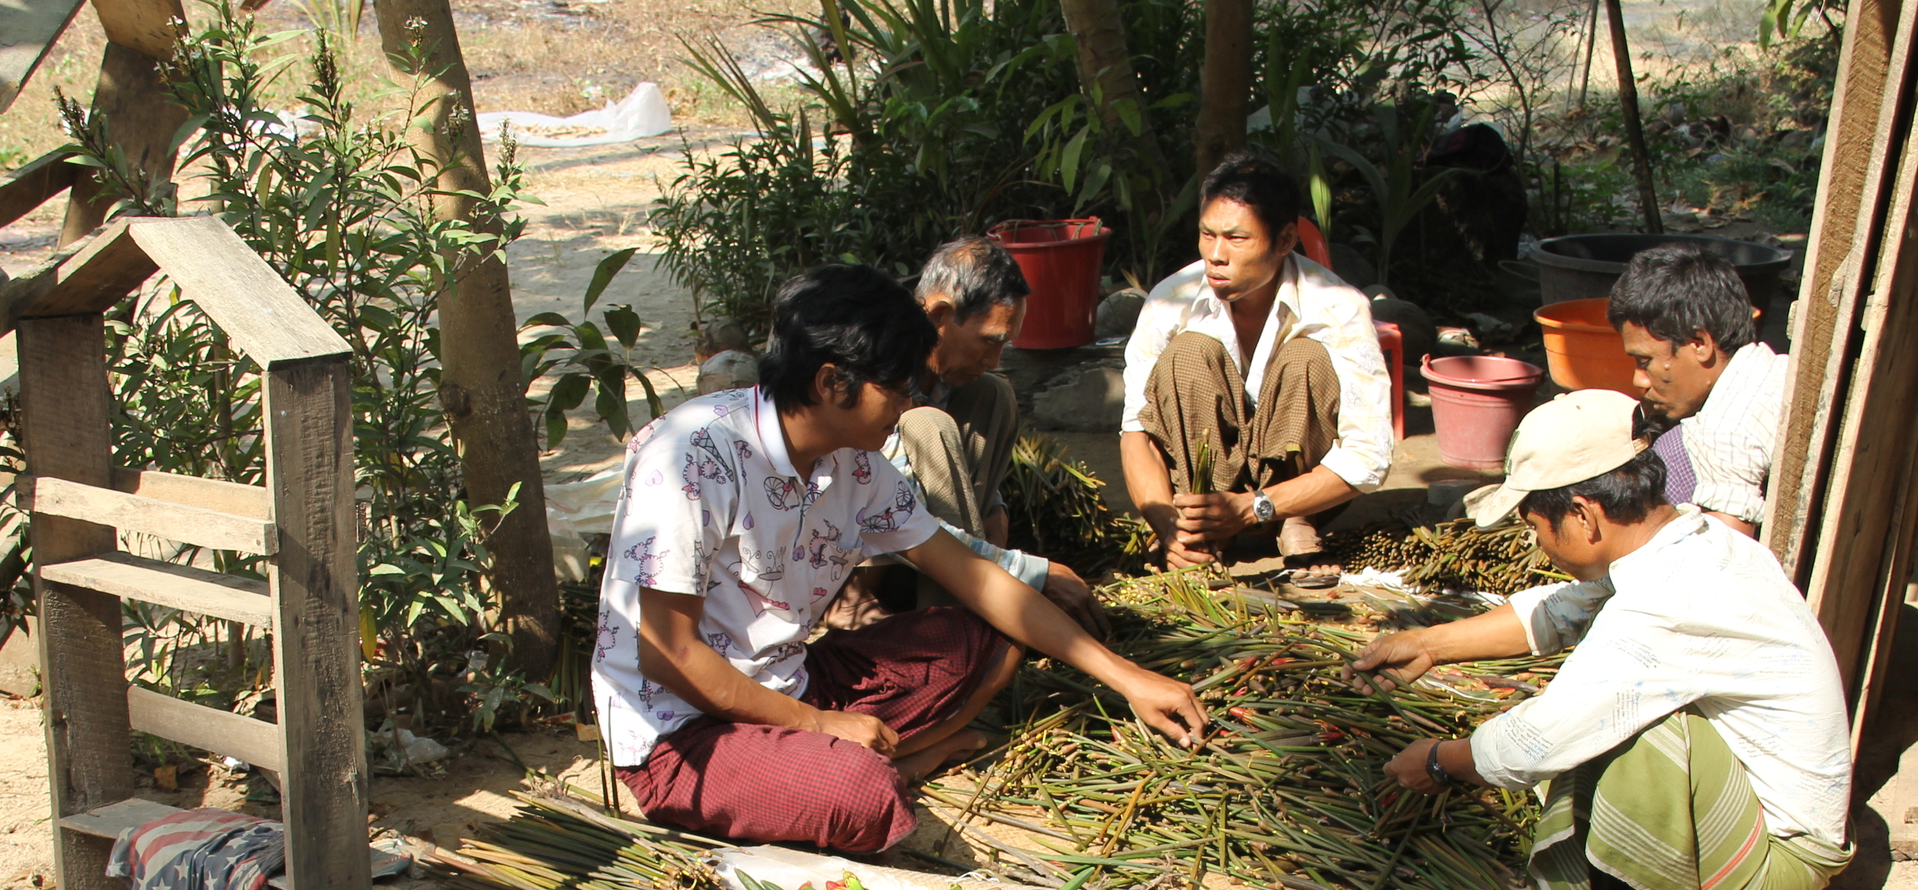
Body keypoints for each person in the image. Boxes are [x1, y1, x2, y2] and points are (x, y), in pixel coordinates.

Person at [592, 264, 1208, 854]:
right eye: (898, 388)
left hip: (791, 680)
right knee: (861, 795)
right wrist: (819, 726)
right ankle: (896, 766)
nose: (908, 405)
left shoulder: (855, 464)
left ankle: (856, 758)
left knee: (987, 634)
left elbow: (979, 581)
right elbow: (669, 653)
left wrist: (1130, 680)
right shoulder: (693, 457)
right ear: (834, 382)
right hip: (683, 733)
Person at [1350, 390, 1853, 890]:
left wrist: (1441, 762)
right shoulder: (1697, 544)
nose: (1537, 546)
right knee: (1610, 698)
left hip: (1770, 871)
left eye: (1537, 526)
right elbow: (1568, 608)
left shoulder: (1667, 601)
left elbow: (1538, 740)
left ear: (1584, 515)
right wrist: (1427, 645)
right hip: (1764, 829)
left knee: (1618, 713)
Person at [1119, 151, 1393, 586]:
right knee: (1189, 354)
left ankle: (1298, 521)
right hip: (1200, 503)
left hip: (1289, 499)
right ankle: (1198, 535)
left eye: (1236, 238)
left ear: (1284, 240)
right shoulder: (1171, 301)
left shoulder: (1337, 308)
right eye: (1207, 235)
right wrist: (1168, 524)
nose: (1216, 255)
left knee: (1307, 358)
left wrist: (1253, 506)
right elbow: (1136, 430)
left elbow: (1369, 457)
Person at [830, 236, 1102, 631]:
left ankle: (977, 599)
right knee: (927, 424)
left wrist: (996, 526)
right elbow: (894, 512)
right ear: (939, 315)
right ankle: (946, 622)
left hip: (929, 546)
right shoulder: (876, 375)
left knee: (993, 393)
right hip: (856, 551)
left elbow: (972, 495)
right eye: (989, 342)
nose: (993, 359)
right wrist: (1033, 574)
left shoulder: (947, 378)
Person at [1608, 244, 1790, 538]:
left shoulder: (1722, 431)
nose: (1639, 380)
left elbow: (1728, 560)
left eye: (1645, 361)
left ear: (1699, 344)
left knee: (1669, 459)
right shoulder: (1777, 369)